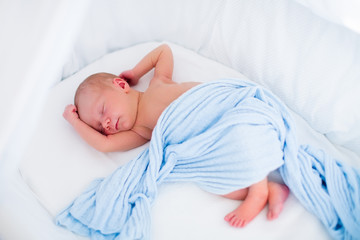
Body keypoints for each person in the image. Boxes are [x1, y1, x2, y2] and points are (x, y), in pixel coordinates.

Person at [63, 44, 290, 228]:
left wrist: (135, 72)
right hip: (205, 141)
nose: (106, 123)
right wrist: (75, 122)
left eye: (103, 111)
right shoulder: (139, 131)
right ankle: (266, 189)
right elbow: (104, 145)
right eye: (100, 126)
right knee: (211, 179)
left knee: (241, 132)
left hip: (215, 109)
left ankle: (259, 188)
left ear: (121, 85)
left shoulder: (158, 83)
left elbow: (163, 51)